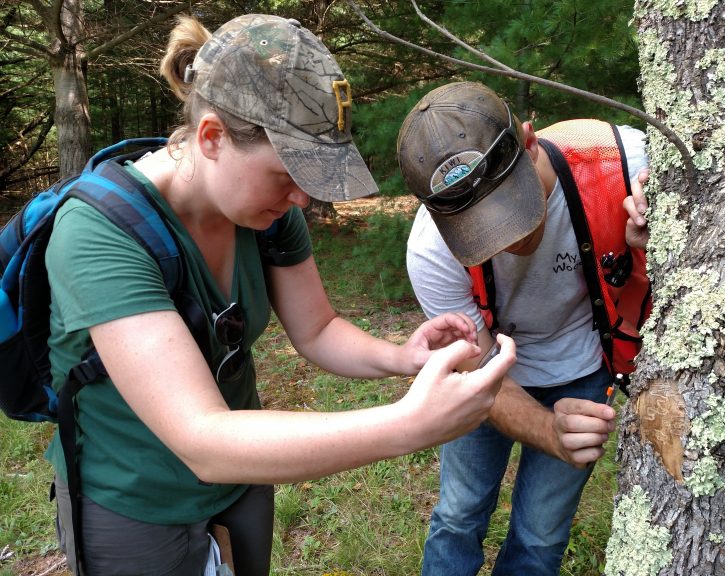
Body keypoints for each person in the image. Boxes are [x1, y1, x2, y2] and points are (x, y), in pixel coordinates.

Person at [46, 20, 515, 576]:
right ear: (212, 137)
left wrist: (401, 358)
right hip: (134, 504)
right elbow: (202, 438)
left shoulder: (265, 214)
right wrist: (407, 425)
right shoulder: (99, 232)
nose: (301, 196)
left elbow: (316, 330)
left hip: (246, 476)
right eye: (288, 171)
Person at [398, 81, 650, 576]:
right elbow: (479, 368)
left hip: (582, 370)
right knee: (458, 515)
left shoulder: (624, 163)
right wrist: (548, 432)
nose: (505, 240)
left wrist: (651, 242)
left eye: (511, 208)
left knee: (540, 537)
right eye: (478, 227)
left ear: (529, 142)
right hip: (487, 374)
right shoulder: (432, 250)